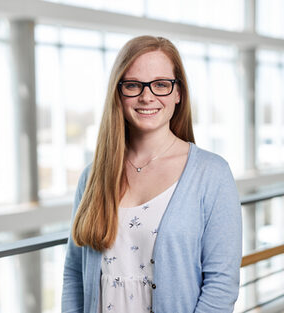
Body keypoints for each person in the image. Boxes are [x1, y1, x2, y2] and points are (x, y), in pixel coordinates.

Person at [61, 35, 242, 313]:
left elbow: (221, 284)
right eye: (133, 85)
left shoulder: (211, 174)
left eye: (161, 84)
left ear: (178, 93)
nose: (147, 96)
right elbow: (74, 273)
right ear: (118, 94)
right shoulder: (92, 177)